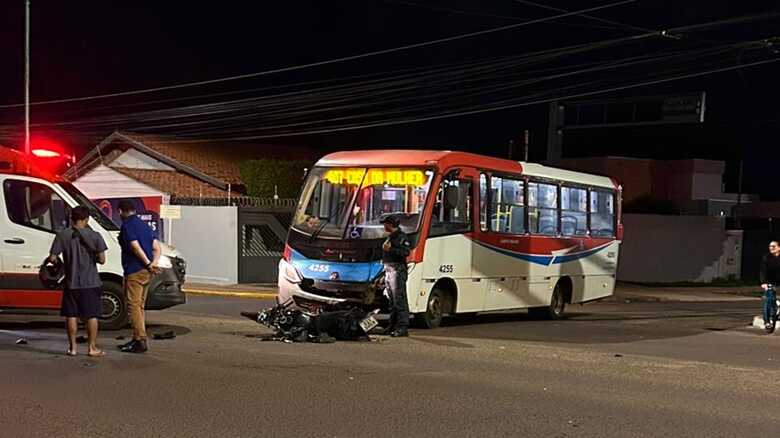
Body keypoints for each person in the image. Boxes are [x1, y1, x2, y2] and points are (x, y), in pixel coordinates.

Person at [48, 206, 108, 357]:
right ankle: (92, 348)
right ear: (87, 219)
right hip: (91, 282)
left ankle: (72, 348)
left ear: (71, 218)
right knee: (91, 315)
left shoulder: (63, 235)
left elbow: (53, 258)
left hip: (71, 282)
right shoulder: (95, 236)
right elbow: (102, 260)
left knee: (71, 315)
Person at [117, 200, 161, 353]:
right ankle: (138, 337)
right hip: (147, 272)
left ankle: (139, 340)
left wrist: (148, 263)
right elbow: (156, 247)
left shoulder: (128, 226)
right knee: (140, 305)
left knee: (133, 306)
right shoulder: (144, 225)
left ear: (120, 211)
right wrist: (153, 264)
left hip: (134, 270)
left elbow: (135, 247)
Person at [380, 214, 412, 337]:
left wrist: (391, 250)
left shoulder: (401, 237)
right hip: (389, 269)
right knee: (392, 300)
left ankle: (403, 327)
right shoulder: (390, 236)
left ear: (390, 224)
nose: (384, 226)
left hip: (397, 270)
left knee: (399, 299)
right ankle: (392, 326)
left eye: (385, 224)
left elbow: (406, 252)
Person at [760, 240, 780, 333]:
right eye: (770, 246)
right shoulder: (767, 257)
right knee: (768, 300)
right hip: (769, 282)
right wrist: (763, 282)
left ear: (779, 248)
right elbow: (763, 271)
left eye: (773, 246)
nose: (771, 248)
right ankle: (767, 321)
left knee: (774, 301)